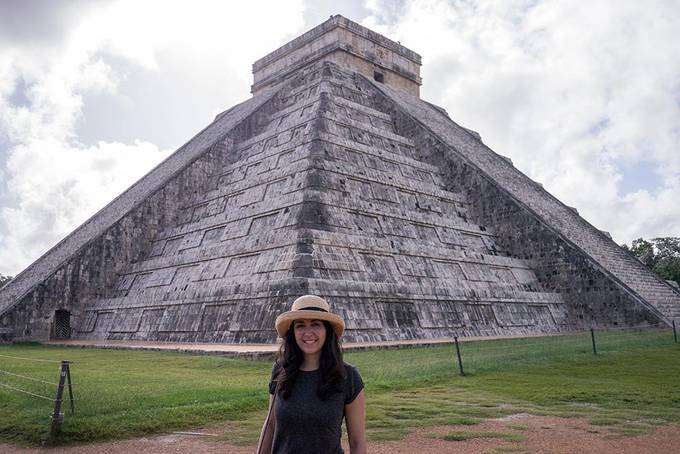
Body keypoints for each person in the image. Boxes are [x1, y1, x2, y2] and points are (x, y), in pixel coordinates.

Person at [256, 295, 367, 454]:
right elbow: (271, 425)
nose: (308, 333)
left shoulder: (348, 377)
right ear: (292, 332)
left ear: (327, 330)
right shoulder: (281, 371)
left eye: (316, 324)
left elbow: (357, 442)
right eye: (300, 325)